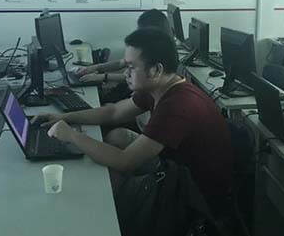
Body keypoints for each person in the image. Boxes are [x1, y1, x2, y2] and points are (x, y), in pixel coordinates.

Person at [33, 27, 232, 213]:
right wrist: (64, 117)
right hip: (175, 165)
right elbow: (113, 112)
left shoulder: (178, 106)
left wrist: (72, 136)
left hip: (194, 194)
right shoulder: (161, 85)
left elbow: (125, 161)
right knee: (117, 137)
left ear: (156, 70)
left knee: (107, 180)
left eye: (131, 67)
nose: (125, 73)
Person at [76, 8, 172, 85]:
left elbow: (138, 77)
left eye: (140, 29)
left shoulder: (161, 52)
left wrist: (102, 77)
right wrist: (94, 68)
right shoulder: (145, 45)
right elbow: (121, 63)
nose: (138, 32)